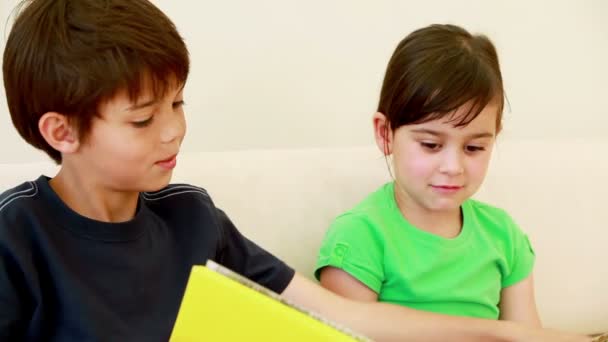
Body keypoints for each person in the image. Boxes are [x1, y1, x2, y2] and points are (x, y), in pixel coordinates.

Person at [0, 1, 588, 340]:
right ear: (62, 132)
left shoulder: (192, 218)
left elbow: (342, 317)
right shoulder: (17, 237)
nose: (174, 130)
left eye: (178, 104)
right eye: (143, 119)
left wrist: (506, 334)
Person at [316, 23, 543, 325]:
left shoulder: (503, 236)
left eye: (474, 147)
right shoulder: (361, 236)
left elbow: (526, 335)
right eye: (431, 145)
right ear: (385, 134)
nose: (453, 167)